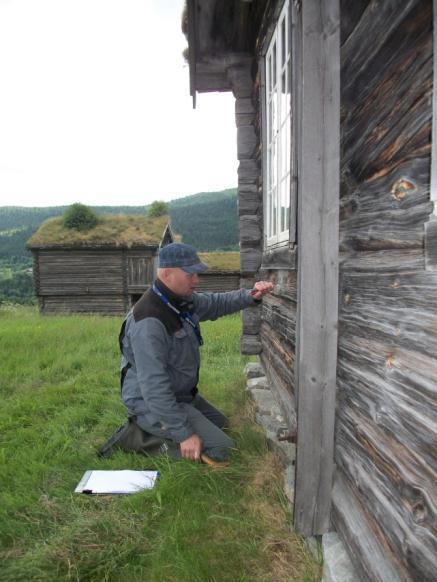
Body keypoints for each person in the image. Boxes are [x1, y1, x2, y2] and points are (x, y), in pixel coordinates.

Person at [99, 242, 273, 463]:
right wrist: (184, 433)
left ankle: (171, 428)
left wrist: (252, 295)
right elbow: (154, 386)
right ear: (167, 273)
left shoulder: (178, 300)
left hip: (180, 395)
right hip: (150, 402)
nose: (196, 280)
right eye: (190, 274)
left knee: (222, 424)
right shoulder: (148, 322)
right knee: (222, 449)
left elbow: (215, 304)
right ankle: (138, 438)